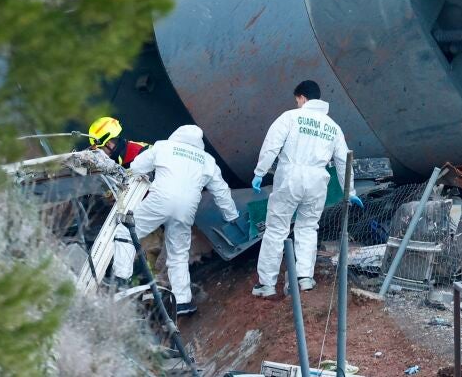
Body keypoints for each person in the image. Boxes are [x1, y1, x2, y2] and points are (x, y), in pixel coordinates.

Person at [110, 125, 238, 316]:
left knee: (125, 232)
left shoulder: (163, 147)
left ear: (176, 135)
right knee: (178, 253)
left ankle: (121, 280)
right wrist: (232, 216)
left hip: (160, 201)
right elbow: (221, 191)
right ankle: (184, 302)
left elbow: (136, 167)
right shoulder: (207, 160)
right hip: (187, 209)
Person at [251, 80, 363, 298]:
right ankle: (304, 278)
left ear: (302, 98)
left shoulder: (291, 117)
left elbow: (271, 144)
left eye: (297, 100)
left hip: (290, 177)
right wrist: (350, 192)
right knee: (308, 227)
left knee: (276, 229)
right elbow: (343, 161)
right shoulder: (333, 127)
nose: (297, 103)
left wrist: (259, 172)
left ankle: (266, 284)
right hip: (317, 181)